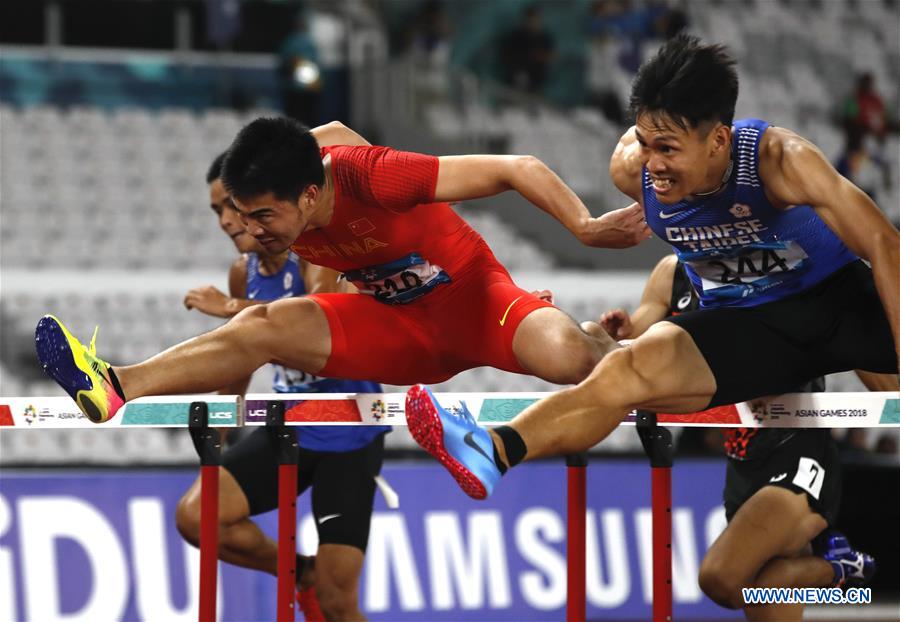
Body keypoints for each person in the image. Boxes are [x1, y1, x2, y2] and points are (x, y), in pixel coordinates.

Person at [404, 34, 899, 598]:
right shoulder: (630, 168)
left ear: (718, 140)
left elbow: (884, 243)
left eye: (668, 149)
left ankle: (841, 575)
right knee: (626, 371)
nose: (653, 165)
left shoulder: (780, 160)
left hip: (836, 302)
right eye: (645, 143)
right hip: (751, 327)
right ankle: (494, 448)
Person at [35, 117, 649, 425]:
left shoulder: (375, 173)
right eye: (241, 215)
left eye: (263, 216)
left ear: (308, 194)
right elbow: (311, 138)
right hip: (397, 329)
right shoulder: (293, 175)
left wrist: (587, 227)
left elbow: (518, 166)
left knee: (572, 360)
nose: (251, 233)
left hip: (480, 305)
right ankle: (117, 384)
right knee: (262, 326)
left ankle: (601, 334)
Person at [599, 253, 886, 620]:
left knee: (721, 579)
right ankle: (841, 568)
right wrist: (622, 333)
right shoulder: (670, 274)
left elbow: (857, 341)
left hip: (796, 452)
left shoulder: (777, 261)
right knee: (769, 589)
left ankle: (839, 570)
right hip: (741, 464)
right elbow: (637, 337)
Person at [176, 142, 388, 622]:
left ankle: (320, 583)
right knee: (197, 518)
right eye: (217, 211)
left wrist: (230, 311)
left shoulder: (317, 252)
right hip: (289, 426)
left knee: (338, 603)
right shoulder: (241, 273)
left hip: (350, 433)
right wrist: (225, 422)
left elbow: (312, 320)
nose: (226, 222)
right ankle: (299, 572)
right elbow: (240, 355)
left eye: (231, 207)